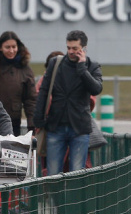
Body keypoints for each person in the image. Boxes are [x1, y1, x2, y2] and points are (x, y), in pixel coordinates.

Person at [34, 30, 103, 175]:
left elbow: (96, 89)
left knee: (76, 173)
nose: (71, 51)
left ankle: (73, 198)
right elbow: (44, 91)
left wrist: (82, 68)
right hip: (56, 126)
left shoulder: (92, 66)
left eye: (75, 49)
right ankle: (54, 198)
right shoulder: (56, 63)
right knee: (53, 173)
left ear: (84, 48)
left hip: (79, 128)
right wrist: (38, 120)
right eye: (68, 48)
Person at [0, 31, 37, 136]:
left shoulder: (24, 69)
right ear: (0, 47)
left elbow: (30, 100)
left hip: (13, 121)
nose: (11, 51)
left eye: (14, 47)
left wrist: (32, 127)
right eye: (7, 47)